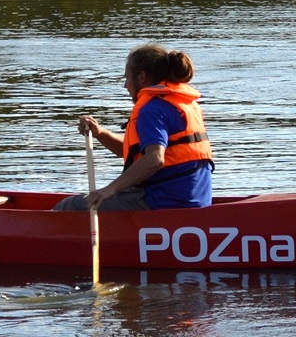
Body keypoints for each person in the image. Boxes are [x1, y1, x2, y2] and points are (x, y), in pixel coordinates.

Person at [56, 43, 213, 212]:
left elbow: (154, 159)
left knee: (68, 206)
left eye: (127, 78)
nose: (125, 86)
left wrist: (110, 189)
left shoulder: (152, 109)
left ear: (142, 77)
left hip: (163, 200)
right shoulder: (182, 103)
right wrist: (100, 133)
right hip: (197, 200)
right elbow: (136, 152)